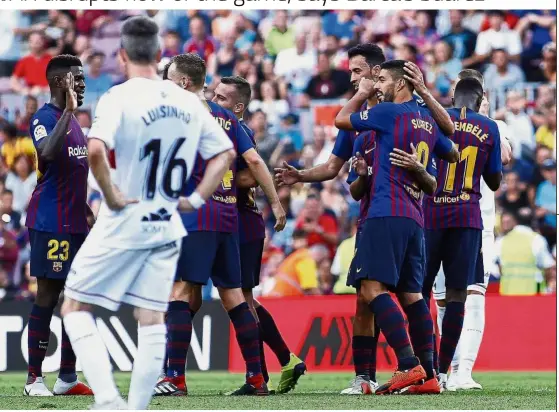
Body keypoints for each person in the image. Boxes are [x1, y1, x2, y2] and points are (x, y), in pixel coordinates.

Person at [60, 16, 236, 410]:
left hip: (125, 218)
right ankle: (136, 407)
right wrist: (197, 198)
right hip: (167, 222)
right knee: (152, 317)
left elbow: (94, 150)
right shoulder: (189, 101)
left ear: (121, 56)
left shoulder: (118, 97)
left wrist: (112, 194)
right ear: (159, 55)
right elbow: (224, 154)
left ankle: (107, 400)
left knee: (73, 306)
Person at [157, 53, 286, 397]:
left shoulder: (178, 114)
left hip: (196, 213)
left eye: (168, 80)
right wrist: (275, 203)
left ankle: (174, 377)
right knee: (234, 296)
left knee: (182, 291)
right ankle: (257, 377)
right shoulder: (229, 118)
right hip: (229, 214)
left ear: (184, 82)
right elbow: (255, 160)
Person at [334, 59, 455, 395]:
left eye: (383, 80)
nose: (378, 85)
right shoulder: (428, 122)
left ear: (400, 84)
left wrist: (361, 93)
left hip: (385, 213)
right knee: (412, 294)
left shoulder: (387, 114)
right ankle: (429, 375)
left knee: (371, 290)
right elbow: (451, 156)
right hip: (415, 219)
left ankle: (407, 364)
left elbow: (341, 120)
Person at [212, 75, 306, 394]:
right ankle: (272, 368)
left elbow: (252, 174)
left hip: (240, 220)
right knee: (244, 300)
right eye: (213, 94)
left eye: (222, 98)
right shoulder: (225, 127)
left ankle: (271, 368)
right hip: (237, 221)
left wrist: (214, 177)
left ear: (238, 107)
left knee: (240, 301)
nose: (215, 100)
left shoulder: (237, 129)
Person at [419, 77, 503, 394]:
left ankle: (421, 368)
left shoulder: (432, 119)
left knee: (421, 292)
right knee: (457, 295)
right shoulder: (489, 126)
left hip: (431, 214)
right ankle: (443, 373)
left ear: (453, 97)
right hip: (468, 217)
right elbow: (494, 182)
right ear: (481, 98)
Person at [23, 54, 93, 397]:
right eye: (75, 78)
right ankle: (34, 379)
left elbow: (73, 173)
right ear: (57, 82)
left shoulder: (75, 121)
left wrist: (86, 212)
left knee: (76, 299)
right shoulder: (45, 117)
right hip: (51, 222)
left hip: (75, 221)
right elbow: (47, 155)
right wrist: (68, 111)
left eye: (82, 78)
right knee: (48, 296)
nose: (81, 83)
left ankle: (67, 378)